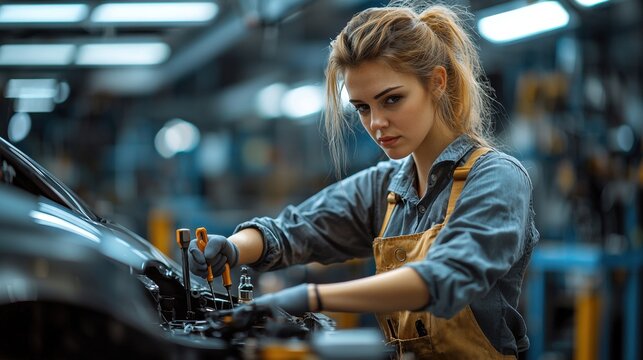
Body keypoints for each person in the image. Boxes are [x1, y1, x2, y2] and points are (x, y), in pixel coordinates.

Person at [189, 2, 538, 358]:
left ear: (436, 82)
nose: (376, 123)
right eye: (363, 107)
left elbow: (445, 277)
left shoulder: (496, 178)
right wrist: (233, 247)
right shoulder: (386, 188)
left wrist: (312, 297)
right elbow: (297, 229)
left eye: (392, 99)